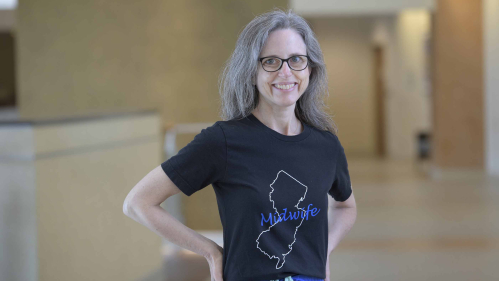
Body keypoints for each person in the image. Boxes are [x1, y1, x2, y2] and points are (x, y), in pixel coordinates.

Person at [123, 8, 357, 281]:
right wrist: (211, 252)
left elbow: (346, 206)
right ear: (251, 70)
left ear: (310, 68)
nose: (285, 72)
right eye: (270, 61)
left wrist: (323, 251)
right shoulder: (223, 141)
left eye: (296, 60)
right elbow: (138, 203)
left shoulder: (325, 145)